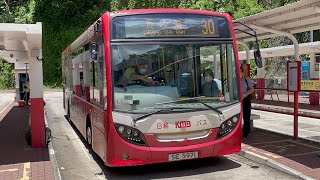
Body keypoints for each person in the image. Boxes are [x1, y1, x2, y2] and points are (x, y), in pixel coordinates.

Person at [241, 64, 254, 138]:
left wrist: (244, 95)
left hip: (245, 99)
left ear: (242, 72)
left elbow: (252, 89)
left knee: (246, 116)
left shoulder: (246, 79)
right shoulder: (233, 80)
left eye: (239, 72)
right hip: (237, 99)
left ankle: (245, 131)